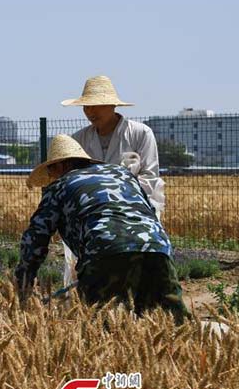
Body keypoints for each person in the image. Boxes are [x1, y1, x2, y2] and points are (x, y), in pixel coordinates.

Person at [15, 134, 189, 324]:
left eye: (51, 171)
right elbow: (148, 211)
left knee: (105, 330)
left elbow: (35, 238)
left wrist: (24, 283)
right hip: (157, 248)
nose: (51, 177)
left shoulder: (59, 186)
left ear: (60, 165)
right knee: (174, 325)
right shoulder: (122, 174)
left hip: (104, 251)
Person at [62, 75, 164, 211]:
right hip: (91, 211)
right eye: (86, 106)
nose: (90, 111)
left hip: (134, 210)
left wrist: (110, 190)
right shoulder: (78, 139)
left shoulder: (141, 133)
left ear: (113, 105)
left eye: (96, 106)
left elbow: (150, 178)